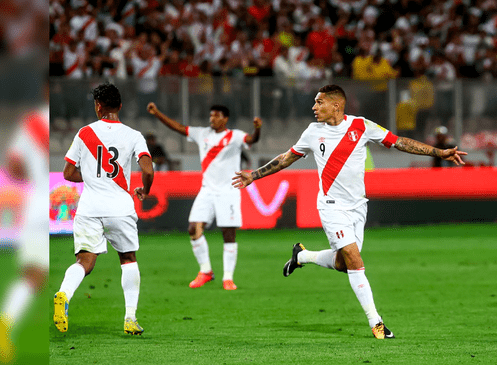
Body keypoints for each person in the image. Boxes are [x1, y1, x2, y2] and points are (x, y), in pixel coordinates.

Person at [231, 84, 466, 339]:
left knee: (344, 264)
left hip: (358, 207)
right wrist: (254, 175)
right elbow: (287, 157)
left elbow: (398, 142)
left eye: (319, 102)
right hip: (331, 206)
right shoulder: (312, 132)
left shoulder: (362, 126)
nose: (314, 107)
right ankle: (376, 323)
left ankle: (302, 256)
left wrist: (439, 152)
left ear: (336, 105)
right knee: (356, 262)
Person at [54, 82, 154, 335]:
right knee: (128, 259)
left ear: (98, 107)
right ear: (119, 106)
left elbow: (67, 173)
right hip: (120, 207)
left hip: (89, 207)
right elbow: (148, 169)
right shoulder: (133, 135)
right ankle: (130, 318)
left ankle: (64, 294)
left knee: (84, 261)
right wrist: (145, 189)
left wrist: (90, 177)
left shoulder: (84, 133)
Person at [146, 102, 262, 290]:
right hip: (207, 190)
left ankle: (228, 278)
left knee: (228, 234)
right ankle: (206, 271)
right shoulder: (202, 134)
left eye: (216, 116)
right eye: (210, 116)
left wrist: (258, 130)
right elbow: (178, 128)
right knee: (193, 228)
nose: (212, 119)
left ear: (225, 118)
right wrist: (157, 113)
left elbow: (252, 140)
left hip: (228, 191)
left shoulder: (235, 136)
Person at [0, 94, 48, 363]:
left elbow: (14, 165)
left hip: (37, 203)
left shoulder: (32, 122)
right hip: (55, 200)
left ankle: (5, 324)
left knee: (33, 273)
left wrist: (32, 175)